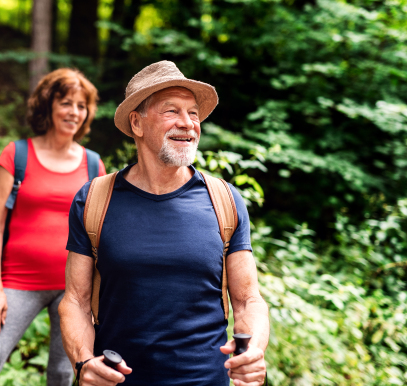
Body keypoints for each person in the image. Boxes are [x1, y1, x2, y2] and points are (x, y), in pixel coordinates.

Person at [59, 61, 269, 386]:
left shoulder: (224, 200)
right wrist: (83, 362)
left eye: (194, 113)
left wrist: (253, 349)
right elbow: (74, 301)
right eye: (172, 111)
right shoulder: (94, 200)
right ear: (137, 123)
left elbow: (248, 300)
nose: (188, 124)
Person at [0, 68, 106, 386]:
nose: (74, 112)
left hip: (74, 289)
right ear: (48, 105)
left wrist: (96, 297)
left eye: (81, 106)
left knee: (62, 375)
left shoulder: (94, 165)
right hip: (18, 282)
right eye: (66, 102)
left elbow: (98, 235)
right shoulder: (17, 154)